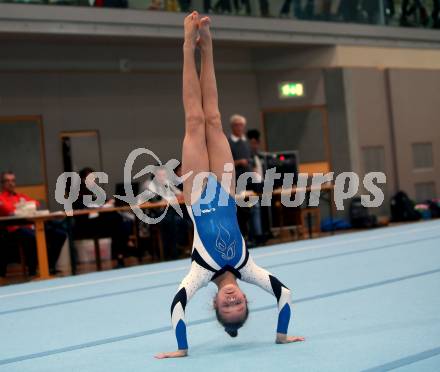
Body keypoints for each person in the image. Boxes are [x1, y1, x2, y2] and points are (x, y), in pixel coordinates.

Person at [155, 12, 304, 359]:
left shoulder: (198, 273)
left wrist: (181, 350)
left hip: (194, 192)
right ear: (246, 298)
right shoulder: (248, 269)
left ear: (216, 305)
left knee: (194, 120)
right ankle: (206, 45)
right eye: (239, 305)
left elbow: (177, 306)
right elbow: (285, 294)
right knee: (214, 118)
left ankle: (185, 45)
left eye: (227, 307)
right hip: (223, 187)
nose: (233, 301)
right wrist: (281, 335)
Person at [0, 171, 65, 276]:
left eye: (13, 181)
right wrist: (24, 207)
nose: (11, 183)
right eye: (7, 181)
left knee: (59, 234)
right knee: (32, 236)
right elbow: (9, 211)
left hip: (30, 226)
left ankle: (50, 265)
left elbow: (36, 204)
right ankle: (32, 270)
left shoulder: (20, 196)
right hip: (12, 230)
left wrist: (23, 207)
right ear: (2, 183)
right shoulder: (1, 198)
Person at [72, 167, 130, 268]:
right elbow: (81, 210)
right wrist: (99, 207)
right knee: (116, 219)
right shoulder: (76, 194)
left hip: (100, 222)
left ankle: (119, 255)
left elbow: (104, 201)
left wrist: (109, 202)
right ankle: (118, 255)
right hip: (86, 225)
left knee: (124, 224)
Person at [141, 166, 189, 259]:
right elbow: (147, 202)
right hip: (154, 214)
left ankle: (174, 249)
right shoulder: (149, 185)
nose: (162, 177)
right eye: (160, 175)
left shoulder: (167, 183)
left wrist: (177, 196)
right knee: (170, 220)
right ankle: (169, 251)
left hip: (167, 213)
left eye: (164, 175)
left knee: (179, 221)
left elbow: (180, 194)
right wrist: (165, 201)